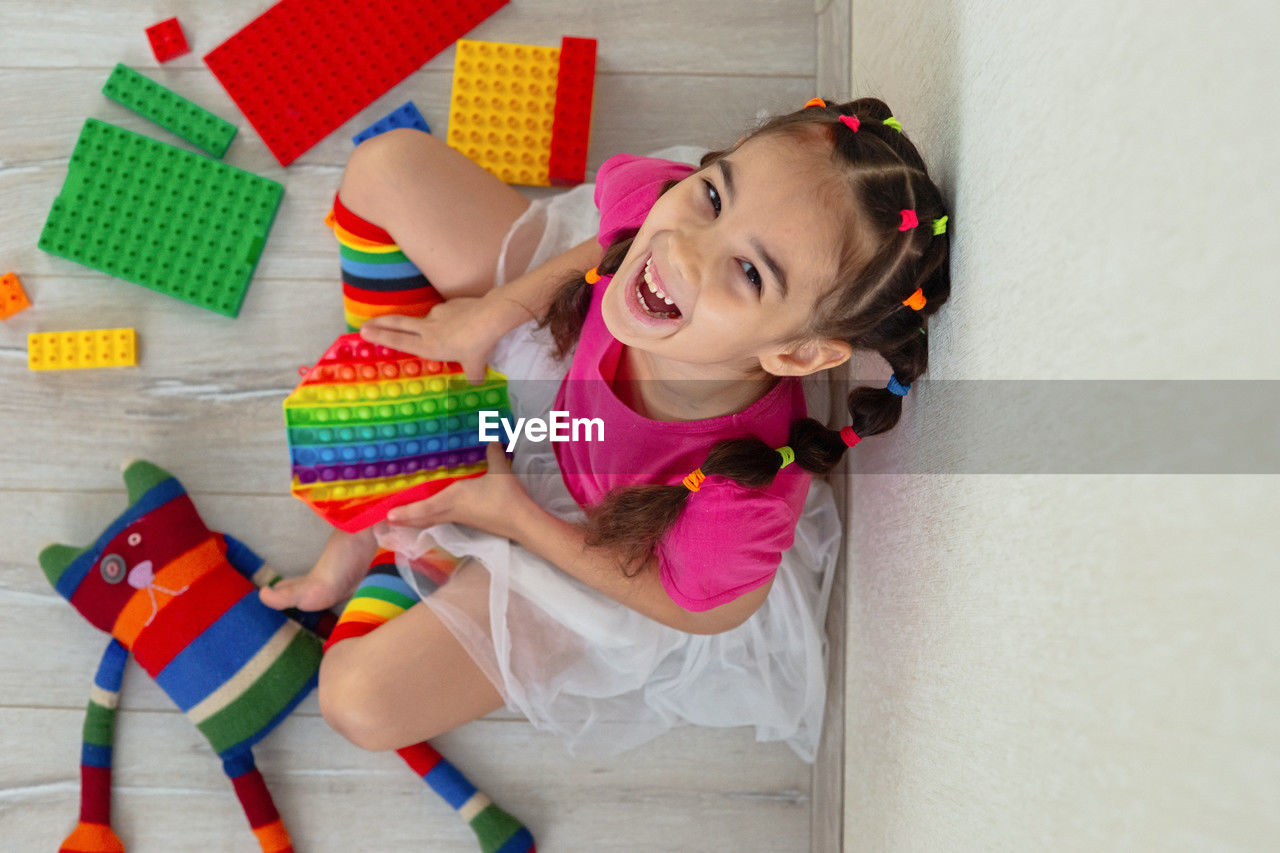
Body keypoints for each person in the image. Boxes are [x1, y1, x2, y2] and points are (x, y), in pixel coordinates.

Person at [260, 97, 951, 763]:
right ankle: (414, 422)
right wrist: (490, 314)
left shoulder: (745, 494)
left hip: (592, 543)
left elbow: (699, 613)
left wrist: (513, 516)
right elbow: (617, 241)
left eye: (747, 271)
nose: (681, 248)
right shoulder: (664, 237)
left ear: (799, 353)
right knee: (383, 167)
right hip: (554, 361)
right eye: (713, 196)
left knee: (357, 701)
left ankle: (424, 521)